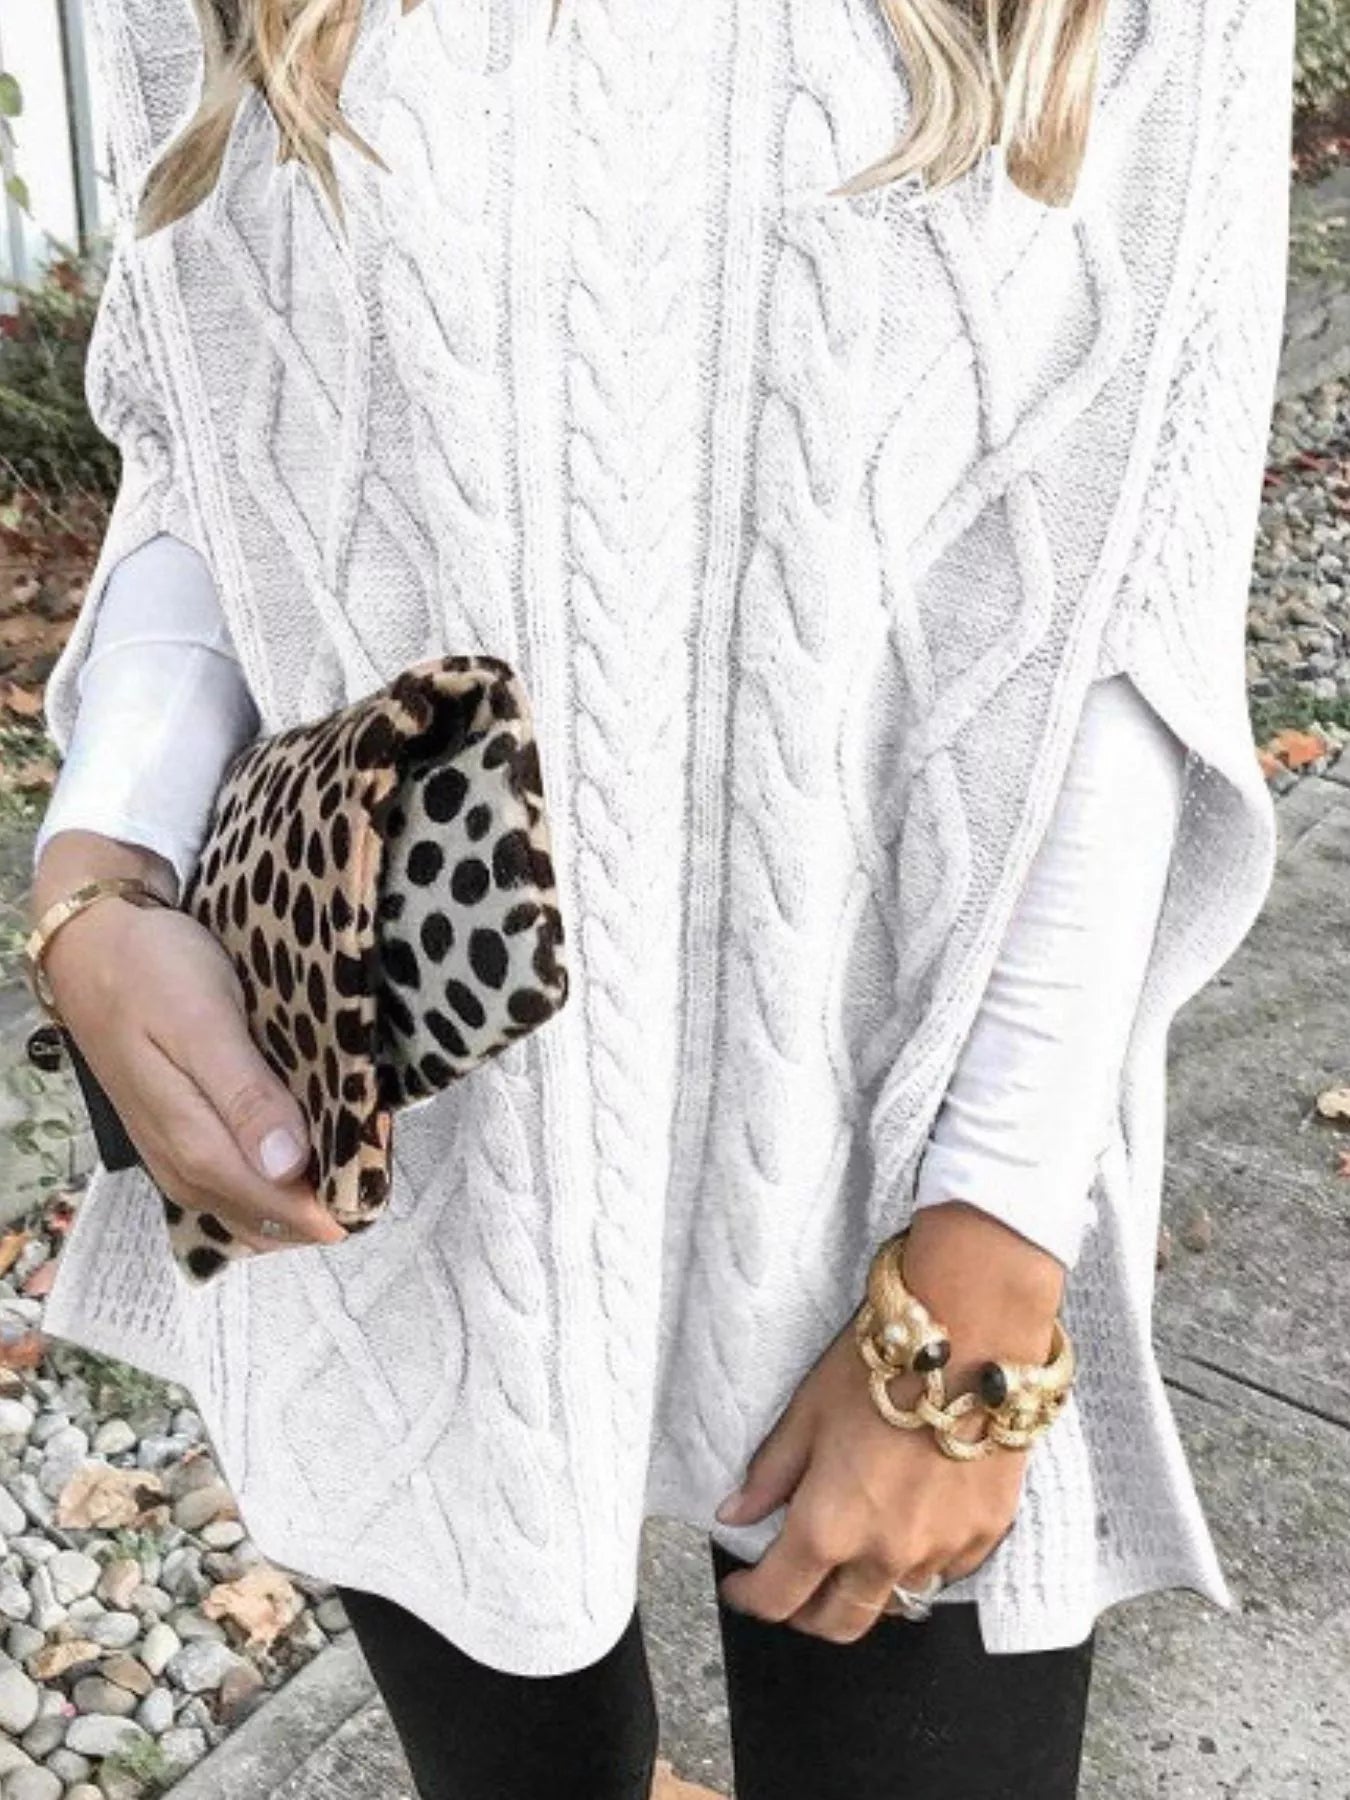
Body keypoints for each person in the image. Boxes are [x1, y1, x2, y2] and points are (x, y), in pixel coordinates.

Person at [25, 1, 1292, 1796]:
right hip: (425, 1103)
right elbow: (209, 428)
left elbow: (1124, 595)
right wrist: (101, 864)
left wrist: (988, 1262)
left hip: (902, 1115)